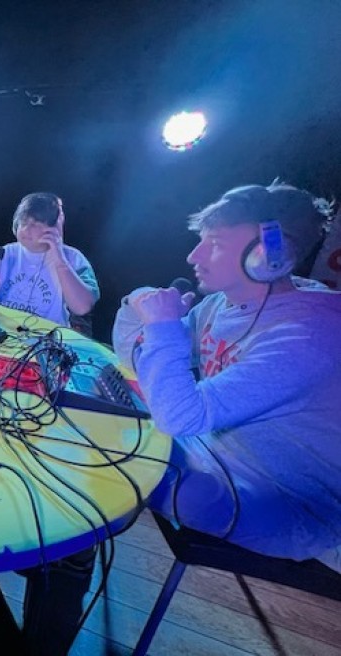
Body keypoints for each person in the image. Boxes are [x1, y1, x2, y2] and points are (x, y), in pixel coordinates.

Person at [112, 181, 340, 568]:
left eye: (215, 243)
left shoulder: (308, 336)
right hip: (210, 452)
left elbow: (180, 416)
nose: (193, 256)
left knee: (117, 463)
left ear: (270, 256)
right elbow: (137, 358)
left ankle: (66, 569)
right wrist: (138, 308)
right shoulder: (220, 304)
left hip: (288, 502)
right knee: (107, 435)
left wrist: (163, 328)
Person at [0, 192, 99, 328]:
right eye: (23, 222)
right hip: (3, 332)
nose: (26, 229)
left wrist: (60, 261)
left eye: (36, 224)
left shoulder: (74, 258)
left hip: (49, 336)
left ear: (54, 228)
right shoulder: (4, 253)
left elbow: (82, 307)